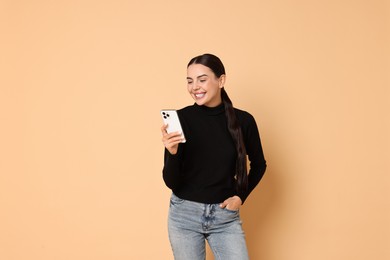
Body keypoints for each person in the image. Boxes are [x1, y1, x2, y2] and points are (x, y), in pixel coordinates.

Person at [160, 53, 267, 260]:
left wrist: (240, 197)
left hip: (224, 217)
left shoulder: (244, 121)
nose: (194, 87)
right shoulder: (180, 119)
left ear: (221, 80)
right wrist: (172, 154)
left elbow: (259, 164)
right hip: (184, 215)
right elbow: (171, 181)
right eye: (190, 81)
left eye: (202, 79)